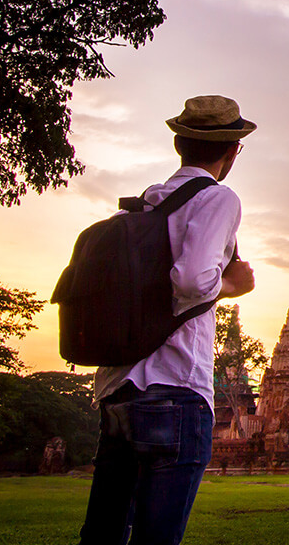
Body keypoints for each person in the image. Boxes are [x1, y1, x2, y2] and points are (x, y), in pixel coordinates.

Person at [79, 95, 257, 545]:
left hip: (117, 388)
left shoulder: (138, 208)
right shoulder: (217, 199)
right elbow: (195, 280)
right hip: (174, 392)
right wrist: (235, 285)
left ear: (179, 143)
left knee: (102, 534)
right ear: (233, 150)